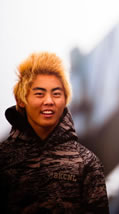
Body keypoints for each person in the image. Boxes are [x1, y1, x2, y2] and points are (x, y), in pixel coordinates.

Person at [0, 51, 109, 213]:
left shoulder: (87, 162)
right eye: (39, 94)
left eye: (56, 94)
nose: (49, 101)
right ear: (21, 101)